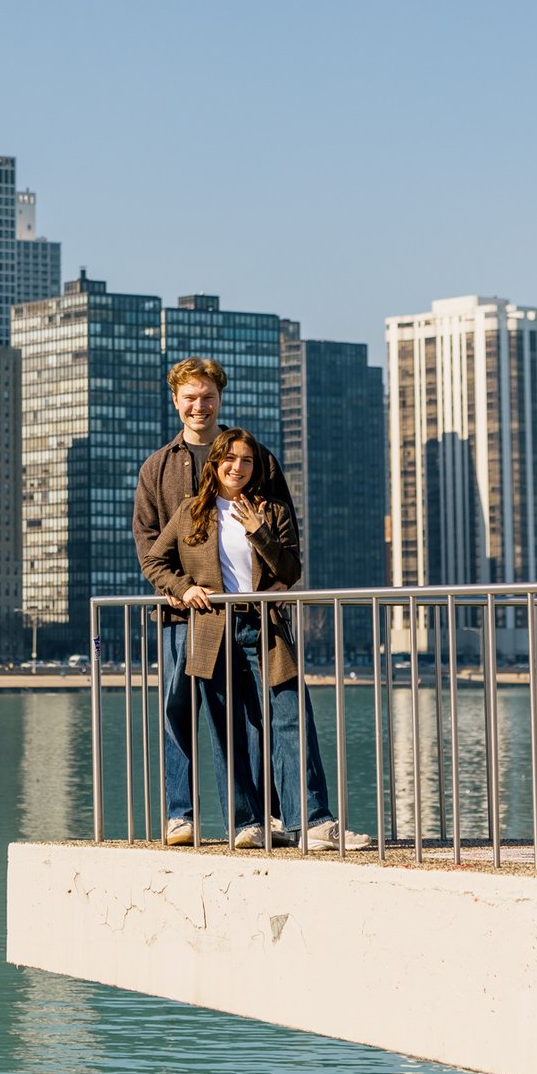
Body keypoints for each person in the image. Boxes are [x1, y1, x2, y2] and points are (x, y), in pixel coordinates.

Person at [134, 358, 363, 851]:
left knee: (265, 716)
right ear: (175, 401)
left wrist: (278, 580)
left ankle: (275, 817)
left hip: (255, 619)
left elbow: (285, 543)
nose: (200, 405)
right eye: (190, 397)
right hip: (184, 614)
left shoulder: (260, 462)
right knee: (185, 712)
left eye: (208, 396)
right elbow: (150, 545)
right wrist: (175, 587)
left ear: (219, 398)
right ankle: (182, 815)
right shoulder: (158, 467)